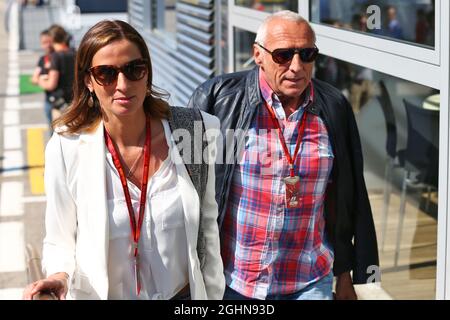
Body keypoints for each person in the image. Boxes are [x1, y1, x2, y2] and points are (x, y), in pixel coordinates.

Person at [23, 20, 225, 300]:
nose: (123, 84)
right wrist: (60, 276)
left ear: (147, 73)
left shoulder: (195, 131)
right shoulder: (66, 146)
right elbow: (59, 239)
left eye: (134, 69)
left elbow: (208, 229)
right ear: (88, 81)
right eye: (106, 73)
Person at [188, 11, 379, 300]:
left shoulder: (335, 107)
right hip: (232, 284)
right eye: (283, 55)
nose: (296, 67)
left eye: (307, 54)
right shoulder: (216, 99)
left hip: (310, 281)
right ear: (258, 55)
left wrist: (345, 274)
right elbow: (186, 193)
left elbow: (348, 197)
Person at [36, 25, 76, 130]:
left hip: (61, 104)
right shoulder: (75, 52)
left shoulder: (56, 56)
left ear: (52, 39)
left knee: (59, 137)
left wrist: (40, 80)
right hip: (76, 102)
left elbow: (51, 84)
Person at [31, 29, 54, 130]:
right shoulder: (43, 59)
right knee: (51, 130)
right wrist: (42, 78)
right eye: (44, 43)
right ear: (41, 44)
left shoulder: (59, 56)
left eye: (49, 41)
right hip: (49, 100)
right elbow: (34, 79)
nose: (47, 45)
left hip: (63, 100)